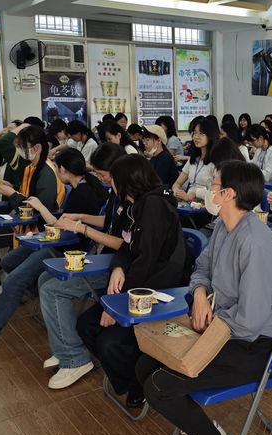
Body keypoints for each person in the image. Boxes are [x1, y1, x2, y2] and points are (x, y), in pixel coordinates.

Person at [136, 161, 272, 435]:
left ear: (229, 194)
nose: (209, 189)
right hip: (222, 329)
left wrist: (211, 324)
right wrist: (200, 296)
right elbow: (201, 269)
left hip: (251, 346)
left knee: (158, 386)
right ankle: (203, 433)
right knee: (144, 365)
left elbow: (249, 323)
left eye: (215, 184)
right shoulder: (223, 225)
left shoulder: (256, 244)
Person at [0, 148, 109, 359]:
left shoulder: (84, 192)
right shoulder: (78, 188)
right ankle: (36, 304)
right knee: (9, 262)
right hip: (57, 241)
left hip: (66, 249)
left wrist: (38, 206)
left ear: (62, 169)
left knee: (14, 281)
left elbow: (61, 226)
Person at [69, 155, 186, 394]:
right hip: (137, 283)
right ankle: (133, 381)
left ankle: (140, 385)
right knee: (86, 324)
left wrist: (117, 305)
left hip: (157, 290)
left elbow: (145, 261)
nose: (109, 183)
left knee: (108, 342)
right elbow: (125, 245)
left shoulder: (154, 206)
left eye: (112, 178)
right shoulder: (134, 205)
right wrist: (118, 267)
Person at [0, 124, 65, 316]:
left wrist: (12, 194)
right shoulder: (32, 167)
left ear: (36, 147)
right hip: (23, 222)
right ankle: (10, 287)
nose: (19, 150)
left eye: (22, 146)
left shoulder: (46, 172)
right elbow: (28, 196)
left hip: (37, 229)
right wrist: (13, 188)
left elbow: (40, 210)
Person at [172, 118, 217, 204]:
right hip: (189, 205)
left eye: (201, 133)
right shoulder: (193, 159)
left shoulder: (215, 161)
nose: (196, 137)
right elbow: (177, 183)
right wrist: (177, 192)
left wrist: (189, 197)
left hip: (205, 207)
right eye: (195, 133)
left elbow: (215, 194)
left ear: (210, 136)